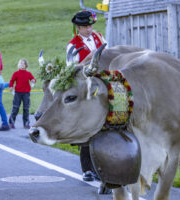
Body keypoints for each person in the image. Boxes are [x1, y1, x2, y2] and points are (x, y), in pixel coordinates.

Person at [66, 10, 107, 186]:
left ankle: (102, 168)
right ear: (78, 27)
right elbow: (72, 69)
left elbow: (108, 54)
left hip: (103, 84)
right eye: (85, 27)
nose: (89, 29)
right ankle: (87, 170)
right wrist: (90, 58)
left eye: (90, 25)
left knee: (103, 128)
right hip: (85, 87)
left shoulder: (99, 37)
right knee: (88, 128)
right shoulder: (72, 45)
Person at [8, 58, 36, 129]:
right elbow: (12, 81)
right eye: (20, 63)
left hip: (26, 93)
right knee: (15, 107)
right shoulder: (16, 73)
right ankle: (11, 122)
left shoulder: (28, 73)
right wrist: (11, 86)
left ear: (26, 66)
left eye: (23, 64)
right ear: (18, 65)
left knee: (26, 108)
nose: (22, 65)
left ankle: (26, 123)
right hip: (17, 93)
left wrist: (33, 80)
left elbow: (33, 79)